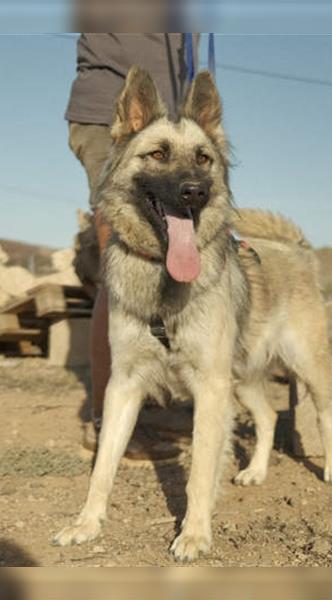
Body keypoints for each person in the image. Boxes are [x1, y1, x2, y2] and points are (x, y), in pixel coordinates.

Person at [65, 34, 198, 463]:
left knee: (180, 250)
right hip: (113, 116)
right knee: (122, 261)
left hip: (172, 124)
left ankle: (154, 391)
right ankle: (109, 420)